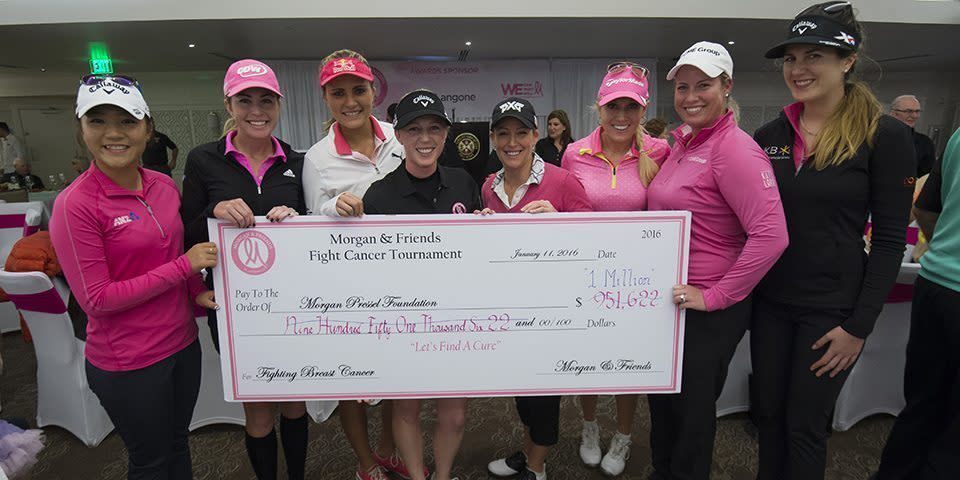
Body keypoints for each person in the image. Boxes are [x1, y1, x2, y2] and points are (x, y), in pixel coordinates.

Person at [751, 3, 917, 479]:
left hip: (831, 310)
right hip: (771, 302)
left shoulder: (883, 136)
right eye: (790, 58)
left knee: (805, 426)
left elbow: (888, 240)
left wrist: (859, 326)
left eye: (813, 56)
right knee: (768, 418)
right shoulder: (771, 135)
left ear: (847, 60)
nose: (798, 69)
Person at [50, 73, 218, 480]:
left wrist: (195, 290)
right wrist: (186, 267)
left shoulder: (162, 185)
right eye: (97, 121)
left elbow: (172, 247)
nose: (113, 134)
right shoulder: (75, 205)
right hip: (129, 363)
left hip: (181, 345)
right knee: (151, 461)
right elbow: (97, 300)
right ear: (81, 130)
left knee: (179, 442)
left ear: (147, 129)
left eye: (127, 121)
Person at [646, 41, 788, 480]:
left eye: (703, 85)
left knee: (690, 415)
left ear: (727, 87)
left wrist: (716, 296)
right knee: (666, 404)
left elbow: (772, 236)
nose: (690, 96)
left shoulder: (735, 150)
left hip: (708, 311)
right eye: (683, 86)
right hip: (675, 304)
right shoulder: (685, 144)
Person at [180, 59, 306, 480]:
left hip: (293, 303)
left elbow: (314, 235)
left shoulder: (297, 161)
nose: (257, 109)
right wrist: (213, 212)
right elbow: (186, 231)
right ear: (229, 104)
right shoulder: (203, 160)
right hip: (237, 307)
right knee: (259, 410)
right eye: (245, 100)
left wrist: (298, 219)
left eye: (266, 100)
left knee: (294, 402)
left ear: (278, 105)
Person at [302, 49, 411, 480]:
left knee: (394, 375)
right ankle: (366, 463)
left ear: (373, 92)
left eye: (358, 90)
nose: (350, 101)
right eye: (338, 93)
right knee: (351, 381)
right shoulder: (317, 157)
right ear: (326, 99)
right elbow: (310, 229)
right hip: (346, 288)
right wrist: (331, 208)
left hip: (402, 280)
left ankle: (387, 449)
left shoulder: (399, 138)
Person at [362, 89, 480, 480]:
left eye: (434, 128)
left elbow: (479, 251)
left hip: (458, 317)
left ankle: (442, 474)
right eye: (414, 129)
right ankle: (417, 475)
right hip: (403, 320)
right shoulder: (379, 195)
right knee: (407, 410)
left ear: (446, 134)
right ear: (398, 135)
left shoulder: (464, 182)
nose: (425, 138)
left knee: (456, 414)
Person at [560, 61, 669, 476]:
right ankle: (590, 427)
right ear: (598, 108)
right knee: (586, 358)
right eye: (613, 106)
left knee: (628, 362)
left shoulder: (658, 152)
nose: (621, 115)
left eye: (631, 106)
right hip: (585, 274)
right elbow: (568, 208)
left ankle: (622, 436)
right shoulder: (575, 152)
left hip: (637, 280)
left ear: (643, 110)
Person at [480, 98, 589, 480]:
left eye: (521, 133)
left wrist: (560, 220)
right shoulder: (488, 187)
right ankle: (527, 452)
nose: (513, 142)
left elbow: (599, 238)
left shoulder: (562, 181)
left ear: (535, 135)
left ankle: (537, 467)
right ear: (493, 138)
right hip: (508, 313)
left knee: (543, 394)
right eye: (504, 134)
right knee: (522, 393)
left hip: (552, 314)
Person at [872, 128, 960, 480]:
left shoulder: (956, 136)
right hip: (942, 282)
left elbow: (925, 208)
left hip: (937, 283)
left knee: (922, 407)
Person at [889, 95, 937, 177]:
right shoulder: (877, 139)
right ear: (893, 113)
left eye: (917, 111)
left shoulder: (925, 143)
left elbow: (927, 176)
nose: (914, 116)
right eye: (908, 111)